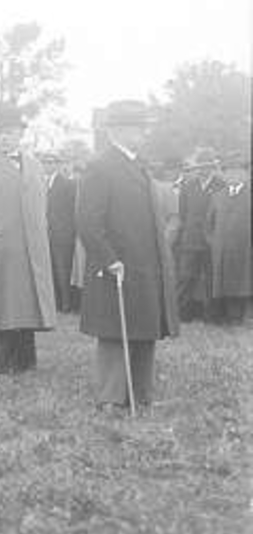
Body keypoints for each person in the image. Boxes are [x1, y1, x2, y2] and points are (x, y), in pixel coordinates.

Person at [77, 100, 179, 412]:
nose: (144, 133)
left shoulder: (138, 165)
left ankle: (141, 394)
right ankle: (111, 397)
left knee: (144, 328)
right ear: (118, 131)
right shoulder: (101, 166)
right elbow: (88, 222)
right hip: (117, 265)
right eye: (138, 127)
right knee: (114, 331)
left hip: (145, 265)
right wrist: (109, 259)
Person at [0, 106, 57, 374]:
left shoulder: (35, 165)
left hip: (31, 245)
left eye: (10, 132)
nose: (4, 137)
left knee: (26, 302)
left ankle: (25, 360)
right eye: (0, 132)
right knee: (1, 303)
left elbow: (42, 206)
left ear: (21, 134)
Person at [175, 149, 225, 323]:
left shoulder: (221, 185)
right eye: (202, 167)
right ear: (197, 168)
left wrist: (214, 235)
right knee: (186, 276)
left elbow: (222, 214)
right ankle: (182, 313)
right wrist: (186, 232)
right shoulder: (188, 186)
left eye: (208, 167)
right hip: (190, 240)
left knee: (211, 278)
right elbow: (183, 213)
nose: (204, 170)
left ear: (213, 168)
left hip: (212, 241)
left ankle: (211, 315)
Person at [206, 149, 251, 325]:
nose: (233, 175)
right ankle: (224, 316)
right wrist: (214, 244)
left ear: (246, 174)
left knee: (242, 282)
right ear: (224, 175)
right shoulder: (217, 196)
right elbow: (208, 225)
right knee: (222, 283)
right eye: (229, 171)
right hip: (221, 252)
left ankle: (240, 317)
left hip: (245, 250)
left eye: (238, 170)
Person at [45, 153, 80, 314]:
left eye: (51, 162)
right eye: (45, 162)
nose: (47, 165)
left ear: (57, 165)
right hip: (46, 233)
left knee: (63, 269)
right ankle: (56, 302)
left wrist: (70, 229)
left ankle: (66, 303)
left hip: (63, 233)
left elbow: (74, 209)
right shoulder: (41, 183)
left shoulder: (67, 184)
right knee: (50, 269)